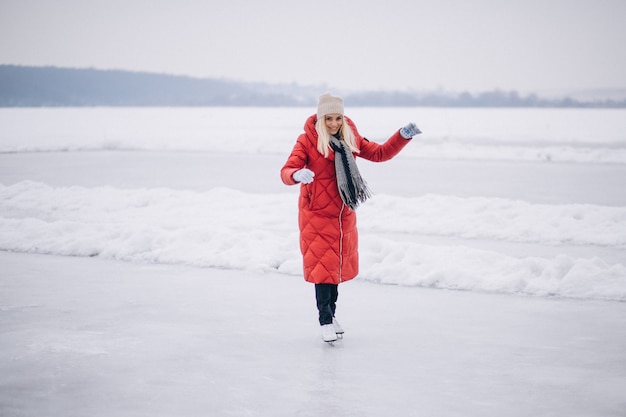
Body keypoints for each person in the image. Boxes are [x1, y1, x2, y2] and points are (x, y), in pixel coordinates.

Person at [280, 93, 421, 342]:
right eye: (329, 119)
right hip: (316, 215)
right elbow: (286, 170)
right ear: (321, 118)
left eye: (338, 118)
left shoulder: (349, 139)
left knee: (333, 270)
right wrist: (296, 174)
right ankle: (324, 320)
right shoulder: (306, 141)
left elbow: (379, 154)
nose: (333, 123)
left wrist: (402, 136)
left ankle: (331, 316)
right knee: (323, 272)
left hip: (344, 215)